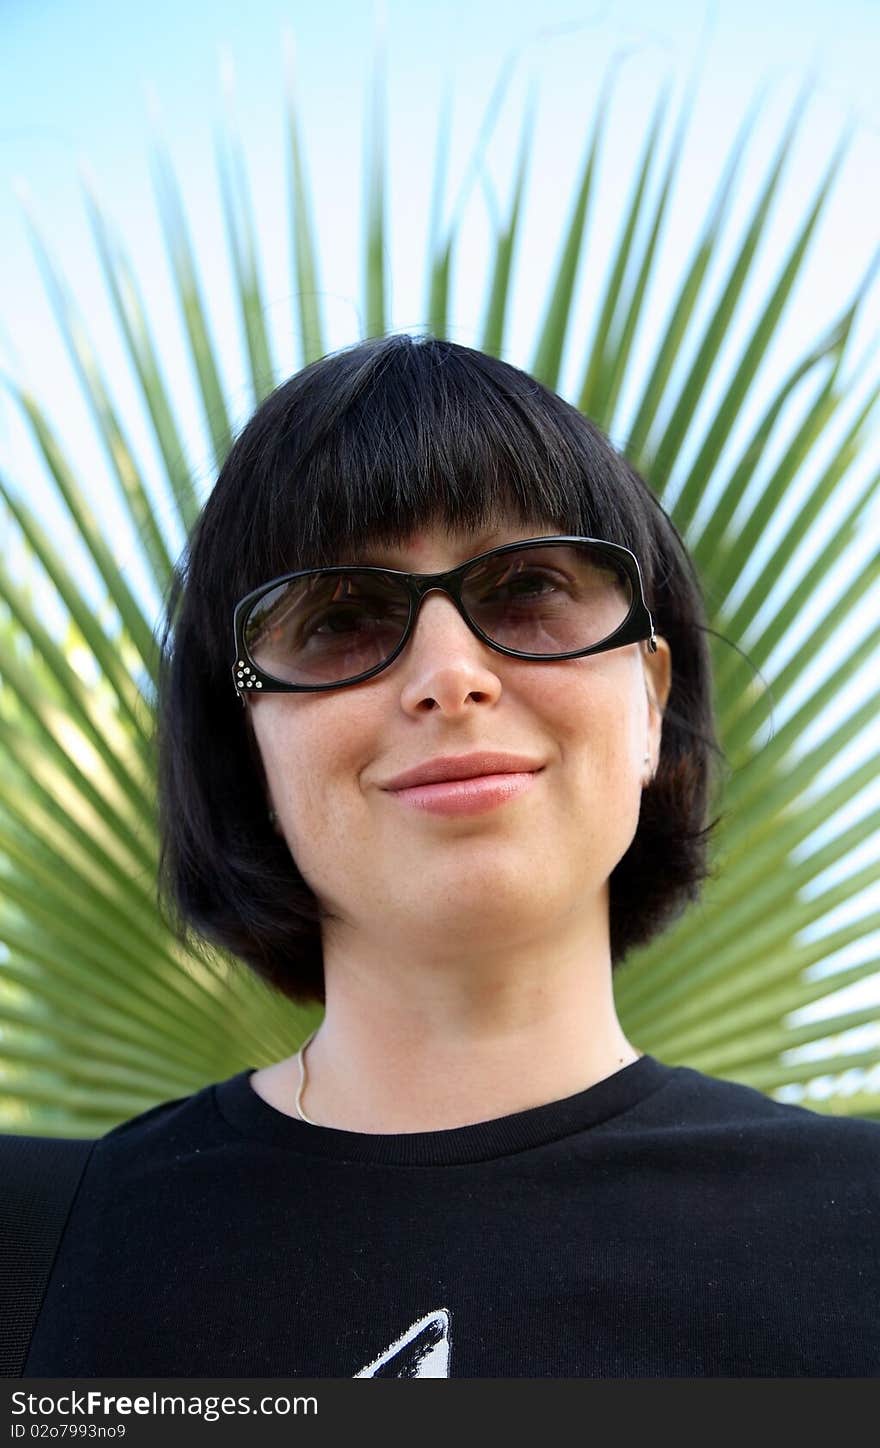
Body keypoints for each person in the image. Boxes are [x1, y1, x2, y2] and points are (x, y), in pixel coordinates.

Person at [19, 334, 879, 1378]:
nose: (449, 675)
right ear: (248, 741)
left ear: (650, 700)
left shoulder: (856, 1232)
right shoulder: (43, 1256)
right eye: (342, 616)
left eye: (525, 589)